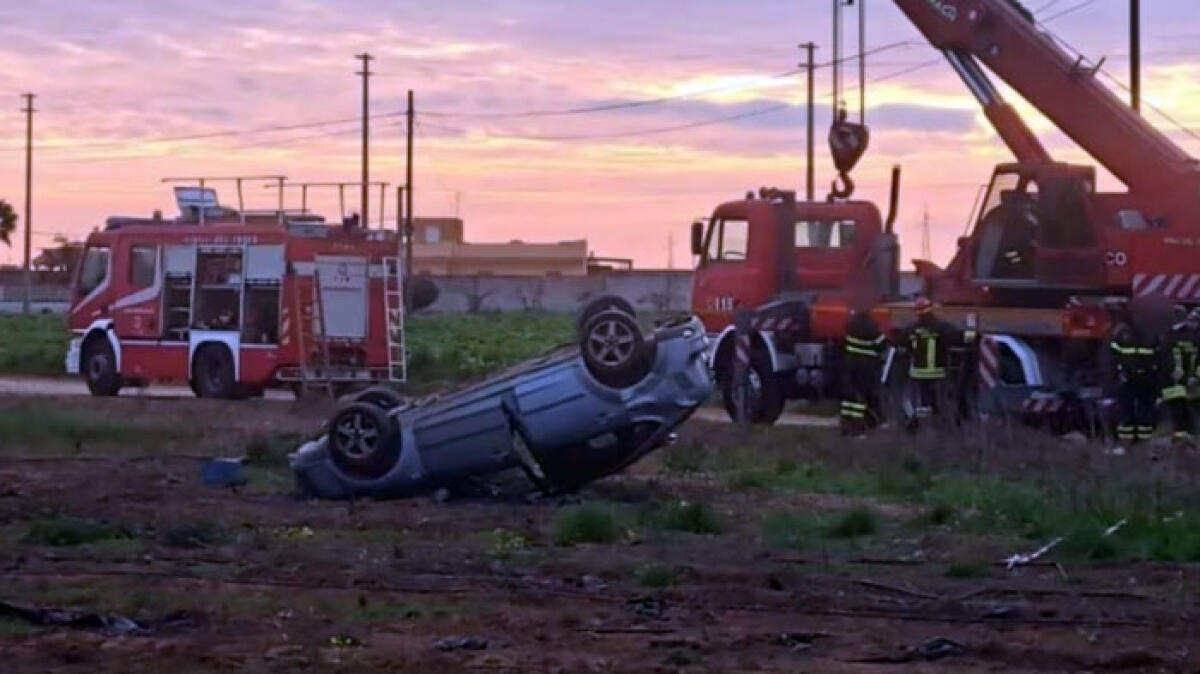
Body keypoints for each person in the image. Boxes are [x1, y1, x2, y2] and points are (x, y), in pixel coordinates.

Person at [897, 297, 961, 430]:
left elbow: (900, 343)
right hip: (937, 372)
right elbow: (955, 338)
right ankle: (939, 421)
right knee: (939, 398)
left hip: (918, 372)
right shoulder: (942, 327)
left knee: (920, 399)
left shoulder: (911, 329)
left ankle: (917, 423)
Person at [1108, 301, 1159, 447]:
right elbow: (1113, 356)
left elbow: (1157, 356)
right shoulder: (1123, 334)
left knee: (1142, 409)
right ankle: (1130, 440)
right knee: (1128, 409)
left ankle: (1139, 441)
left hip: (1141, 377)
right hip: (1130, 377)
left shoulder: (1147, 335)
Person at [840, 309, 887, 437]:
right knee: (861, 396)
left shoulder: (850, 327)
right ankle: (857, 429)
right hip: (866, 366)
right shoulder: (872, 328)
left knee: (848, 398)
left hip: (850, 364)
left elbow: (844, 343)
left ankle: (845, 427)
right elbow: (882, 345)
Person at [1161, 305, 1199, 443]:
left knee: (1188, 408)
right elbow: (1166, 357)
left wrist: (1195, 377)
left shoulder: (1173, 335)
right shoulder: (1173, 335)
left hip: (1187, 380)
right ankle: (1183, 436)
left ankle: (1187, 435)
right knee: (1178, 407)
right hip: (1177, 380)